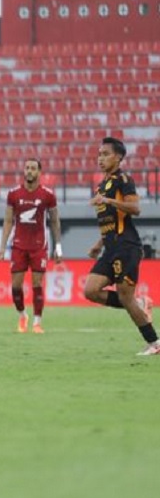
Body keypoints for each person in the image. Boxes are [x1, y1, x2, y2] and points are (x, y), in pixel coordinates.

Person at [82, 137, 160, 356]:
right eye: (99, 154)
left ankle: (154, 342)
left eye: (105, 154)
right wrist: (99, 244)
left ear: (118, 157)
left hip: (127, 246)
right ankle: (141, 303)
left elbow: (135, 208)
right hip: (110, 248)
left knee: (125, 296)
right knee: (91, 290)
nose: (100, 158)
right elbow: (110, 220)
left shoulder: (123, 179)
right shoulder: (102, 185)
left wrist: (109, 201)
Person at [0, 158, 62, 333]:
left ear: (40, 172)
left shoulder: (48, 195)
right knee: (16, 286)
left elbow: (55, 221)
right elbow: (8, 221)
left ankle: (37, 322)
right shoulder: (14, 194)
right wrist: (2, 246)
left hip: (39, 246)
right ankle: (22, 315)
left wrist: (58, 247)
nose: (29, 171)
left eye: (33, 168)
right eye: (27, 168)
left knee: (37, 284)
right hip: (18, 245)